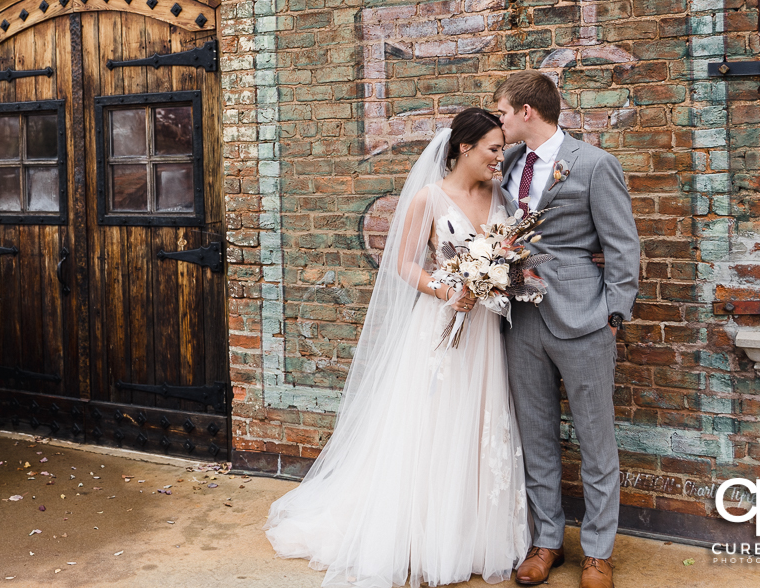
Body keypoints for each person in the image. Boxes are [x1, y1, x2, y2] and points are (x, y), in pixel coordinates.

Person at [265, 107, 530, 588]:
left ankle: (468, 534)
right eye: (493, 149)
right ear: (464, 148)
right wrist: (446, 289)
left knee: (477, 423)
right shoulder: (429, 198)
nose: (500, 157)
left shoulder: (499, 196)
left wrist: (499, 280)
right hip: (439, 326)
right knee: (431, 423)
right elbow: (404, 263)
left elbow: (509, 256)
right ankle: (418, 531)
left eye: (503, 149)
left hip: (485, 333)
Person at [494, 71, 639, 588]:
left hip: (583, 318)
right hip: (522, 319)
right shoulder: (506, 163)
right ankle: (547, 541)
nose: (501, 121)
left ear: (527, 112)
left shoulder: (595, 164)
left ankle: (598, 552)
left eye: (504, 112)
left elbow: (623, 246)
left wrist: (614, 314)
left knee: (596, 439)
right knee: (536, 436)